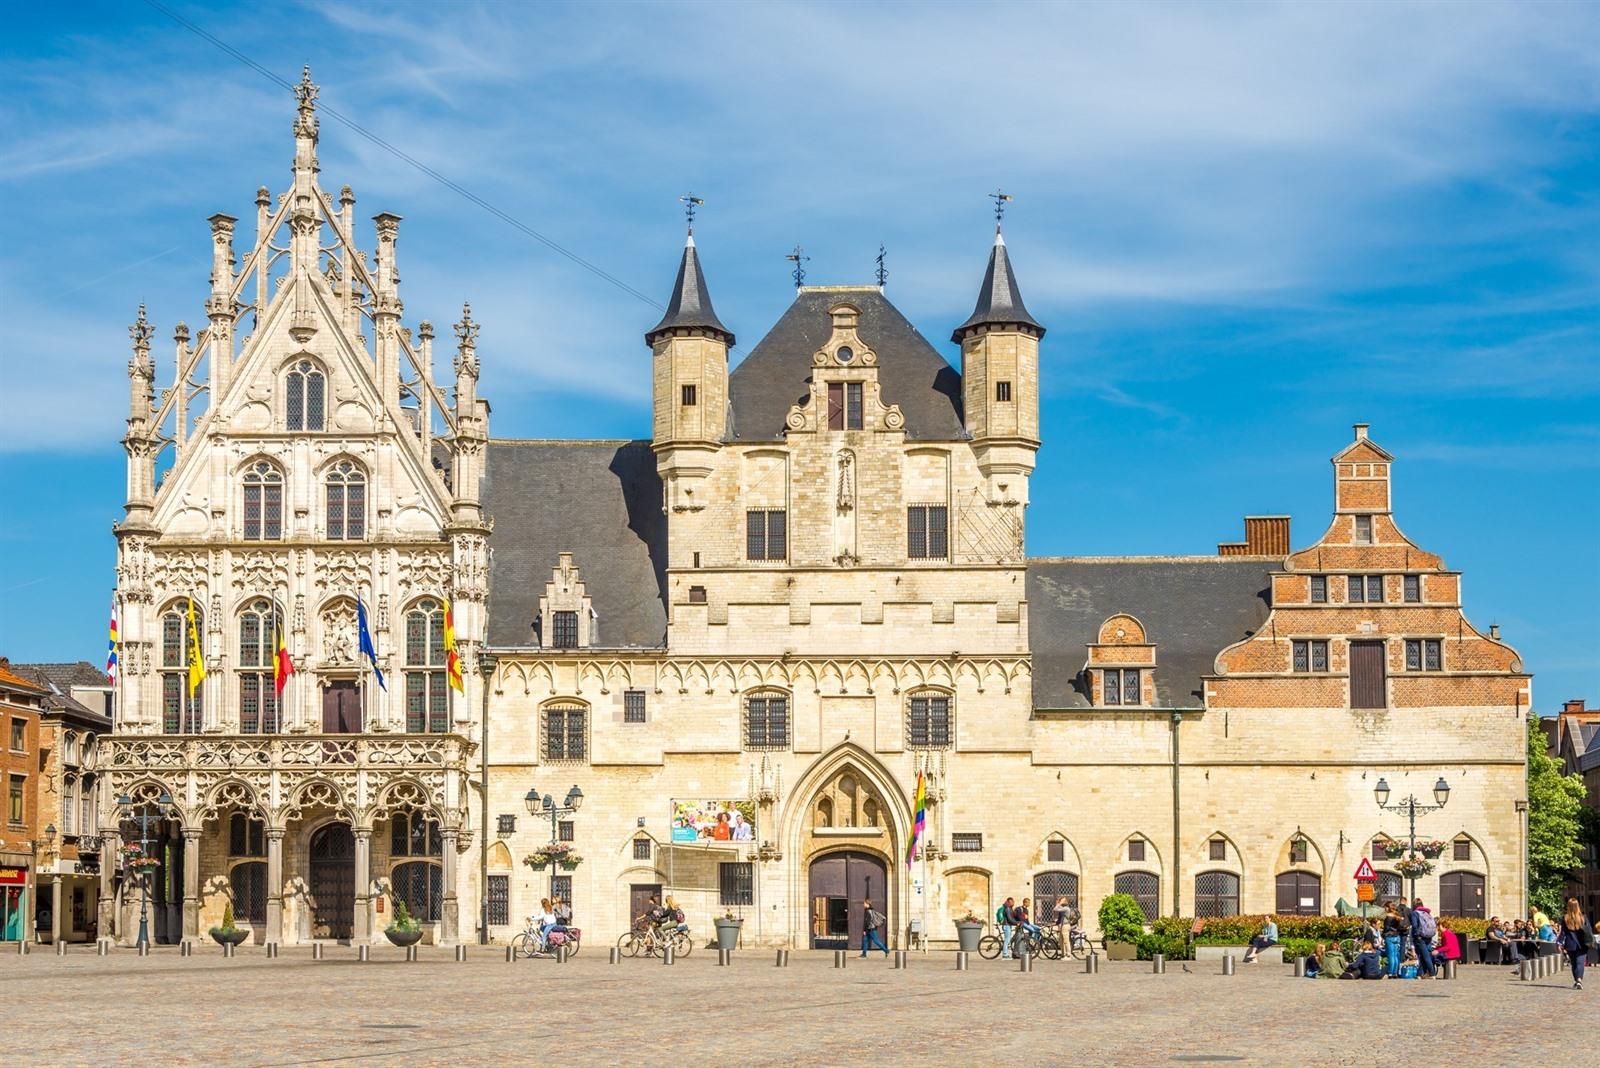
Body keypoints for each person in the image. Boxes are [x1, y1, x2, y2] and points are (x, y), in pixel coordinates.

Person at [1558, 897, 1594, 990]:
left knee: (1574, 963)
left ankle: (1578, 980)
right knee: (1580, 963)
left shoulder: (1565, 918)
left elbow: (1562, 933)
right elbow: (1589, 930)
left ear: (1568, 907)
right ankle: (1578, 980)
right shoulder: (1583, 917)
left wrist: (1559, 944)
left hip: (1570, 944)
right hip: (1582, 944)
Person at [1410, 897, 1438, 977]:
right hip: (1428, 936)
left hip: (1420, 937)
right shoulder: (1426, 912)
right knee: (1424, 955)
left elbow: (1414, 925)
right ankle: (1420, 974)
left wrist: (1417, 934)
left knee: (1425, 956)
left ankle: (1432, 974)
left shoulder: (1415, 913)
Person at [1381, 902, 1409, 976]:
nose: (1385, 909)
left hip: (1389, 937)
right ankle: (1395, 972)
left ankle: (1390, 972)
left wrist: (1383, 935)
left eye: (1385, 907)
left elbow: (1386, 928)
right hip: (1397, 937)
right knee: (1396, 955)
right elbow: (1399, 927)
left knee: (1391, 955)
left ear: (1388, 908)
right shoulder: (1397, 916)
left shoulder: (1388, 917)